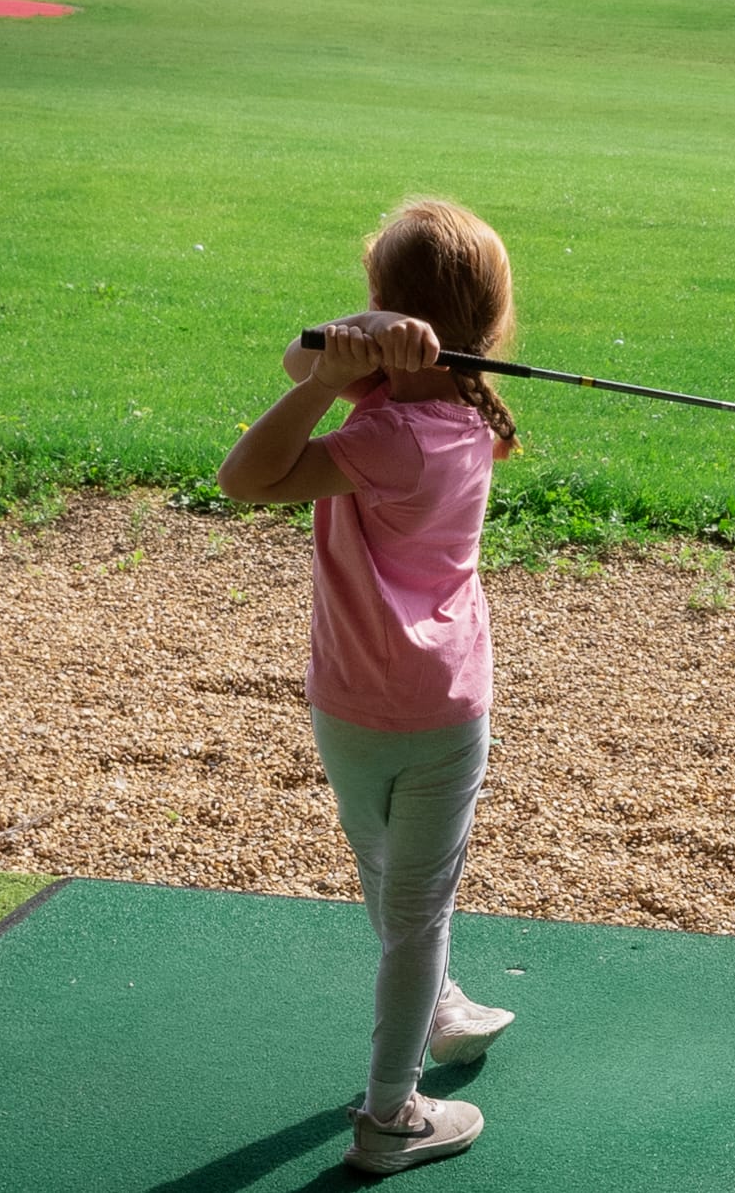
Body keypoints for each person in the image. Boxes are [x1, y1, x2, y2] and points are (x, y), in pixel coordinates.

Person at [216, 199, 520, 1175]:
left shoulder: (387, 435)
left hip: (352, 700)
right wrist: (357, 349)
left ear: (391, 308)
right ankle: (408, 1073)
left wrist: (341, 365)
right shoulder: (466, 417)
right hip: (438, 707)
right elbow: (299, 359)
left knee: (399, 891)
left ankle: (407, 1073)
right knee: (413, 899)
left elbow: (246, 476)